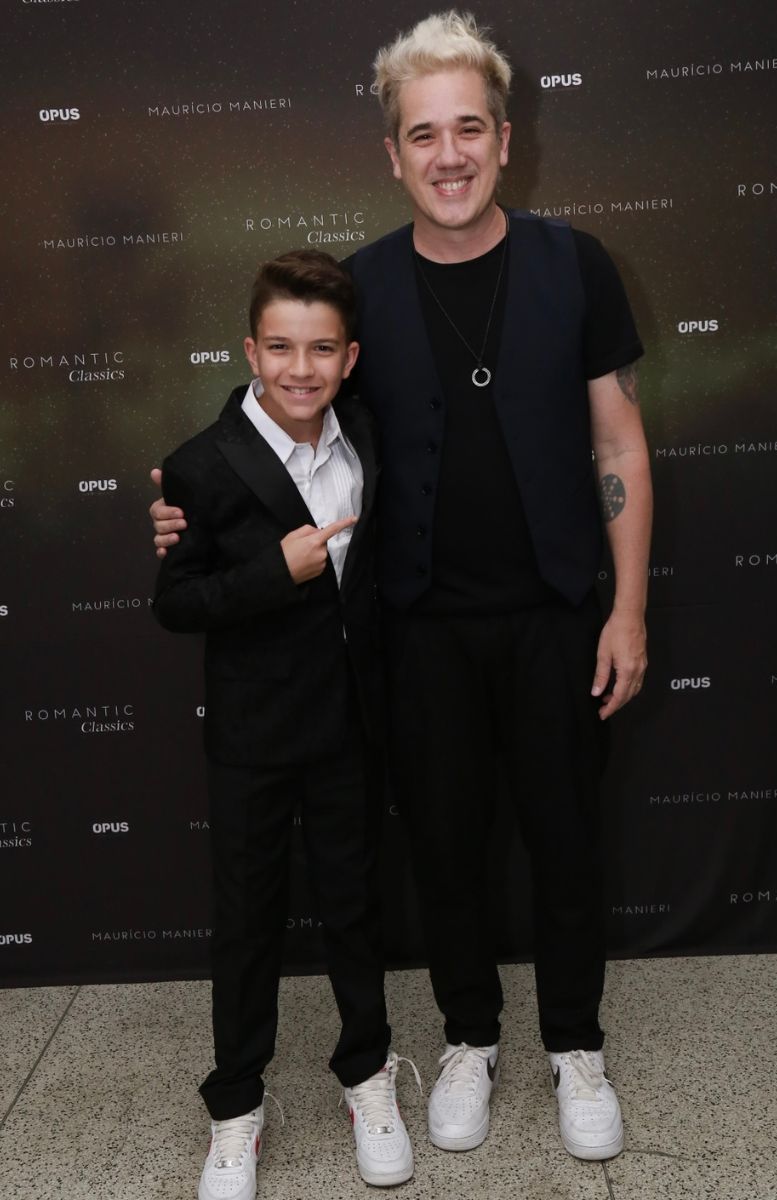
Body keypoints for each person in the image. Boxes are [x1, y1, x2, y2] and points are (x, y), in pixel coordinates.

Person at [151, 10, 652, 1168]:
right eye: (422, 133)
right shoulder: (362, 287)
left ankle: (574, 1044)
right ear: (391, 153)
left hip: (555, 615)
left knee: (566, 839)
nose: (448, 153)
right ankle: (469, 1037)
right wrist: (186, 500)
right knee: (443, 847)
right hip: (412, 627)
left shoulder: (574, 265)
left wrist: (625, 609)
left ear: (505, 139)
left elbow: (618, 443)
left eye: (468, 128)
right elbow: (274, 406)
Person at [152, 249, 418, 1200]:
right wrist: (277, 571)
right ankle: (235, 1106)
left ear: (350, 358)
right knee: (247, 921)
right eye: (279, 348)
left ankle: (367, 1074)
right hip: (252, 737)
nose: (300, 369)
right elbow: (175, 603)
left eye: (321, 349)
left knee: (355, 906)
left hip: (349, 725)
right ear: (249, 351)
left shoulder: (369, 436)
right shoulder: (200, 463)